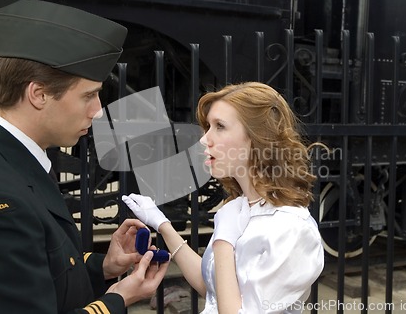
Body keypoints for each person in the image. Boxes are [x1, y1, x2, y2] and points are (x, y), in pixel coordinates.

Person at [0, 0, 169, 314]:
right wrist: (117, 299)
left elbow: (42, 267)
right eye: (88, 95)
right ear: (38, 94)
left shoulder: (6, 159)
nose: (98, 111)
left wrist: (105, 266)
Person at [123, 82, 324, 313]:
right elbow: (213, 288)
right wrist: (162, 225)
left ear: (257, 138)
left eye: (220, 126)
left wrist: (223, 241)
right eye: (208, 126)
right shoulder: (240, 210)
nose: (204, 139)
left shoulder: (291, 230)